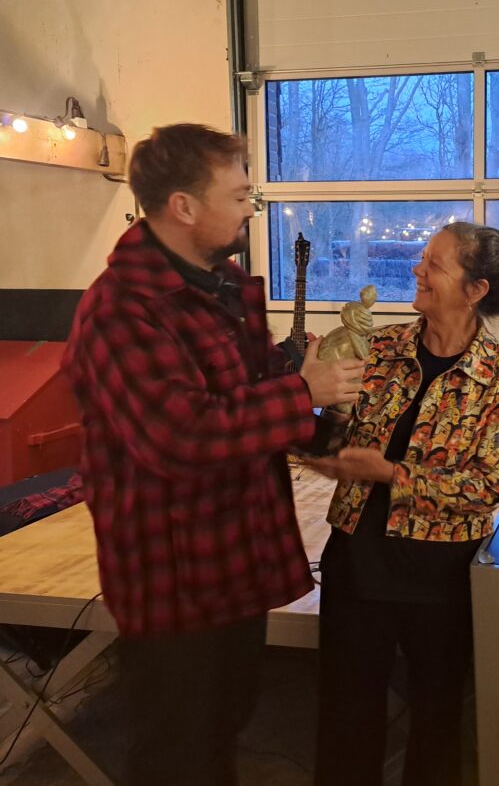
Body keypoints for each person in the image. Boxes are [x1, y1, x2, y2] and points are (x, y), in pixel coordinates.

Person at [61, 123, 363, 785]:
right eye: (239, 195)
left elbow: (253, 392)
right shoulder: (121, 312)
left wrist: (327, 418)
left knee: (224, 725)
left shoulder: (217, 285)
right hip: (174, 577)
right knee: (178, 753)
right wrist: (301, 393)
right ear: (184, 206)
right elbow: (183, 437)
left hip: (233, 561)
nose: (251, 208)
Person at [305, 222, 499, 786]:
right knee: (346, 715)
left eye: (434, 263)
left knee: (437, 718)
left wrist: (390, 474)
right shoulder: (380, 348)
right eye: (422, 257)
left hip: (440, 576)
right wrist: (312, 404)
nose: (417, 269)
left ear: (475, 289)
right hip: (357, 561)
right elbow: (328, 439)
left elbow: (487, 486)